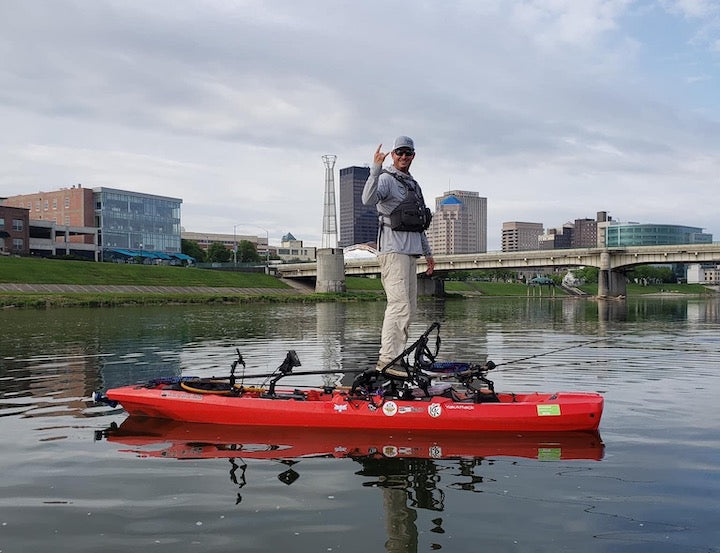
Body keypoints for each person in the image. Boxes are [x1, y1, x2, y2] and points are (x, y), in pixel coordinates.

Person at [362, 136, 435, 376]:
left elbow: (419, 225)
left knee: (409, 308)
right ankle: (387, 360)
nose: (404, 157)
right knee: (399, 305)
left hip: (410, 253)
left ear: (414, 155)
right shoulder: (386, 179)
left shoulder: (414, 185)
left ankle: (397, 359)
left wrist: (428, 254)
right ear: (393, 154)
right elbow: (368, 199)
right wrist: (375, 168)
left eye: (409, 153)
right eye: (400, 152)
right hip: (393, 252)